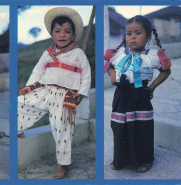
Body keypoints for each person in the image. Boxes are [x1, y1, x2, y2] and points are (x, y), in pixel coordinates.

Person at [18, 7, 91, 178]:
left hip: (65, 97)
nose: (62, 35)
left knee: (62, 129)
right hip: (45, 89)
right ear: (52, 35)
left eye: (67, 31)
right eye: (58, 31)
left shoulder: (78, 53)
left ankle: (62, 164)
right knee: (21, 102)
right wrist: (29, 87)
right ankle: (19, 128)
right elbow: (37, 71)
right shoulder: (48, 53)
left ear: (73, 35)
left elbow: (86, 75)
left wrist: (80, 94)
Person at [104, 15, 171, 173]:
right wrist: (112, 74)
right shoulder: (119, 54)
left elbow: (166, 71)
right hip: (121, 96)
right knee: (120, 127)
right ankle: (121, 159)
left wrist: (153, 86)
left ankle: (144, 159)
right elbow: (108, 65)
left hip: (141, 96)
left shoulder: (152, 56)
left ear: (148, 37)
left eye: (138, 33)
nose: (132, 36)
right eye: (129, 33)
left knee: (142, 128)